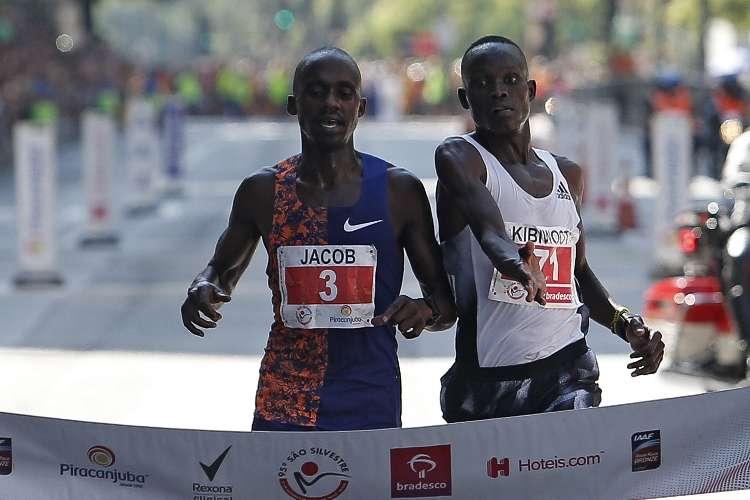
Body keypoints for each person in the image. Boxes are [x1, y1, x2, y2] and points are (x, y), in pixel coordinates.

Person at [180, 47, 456, 431]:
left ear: (360, 107)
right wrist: (203, 287)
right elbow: (220, 271)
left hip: (369, 391)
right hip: (286, 391)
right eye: (317, 92)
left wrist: (425, 311)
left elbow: (445, 304)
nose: (331, 103)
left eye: (344, 93)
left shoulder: (399, 191)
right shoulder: (263, 191)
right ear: (294, 104)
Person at [435, 35, 665, 422]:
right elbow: (489, 230)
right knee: (497, 483)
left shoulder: (566, 173)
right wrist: (515, 263)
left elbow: (578, 273)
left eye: (510, 81)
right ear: (465, 98)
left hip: (568, 368)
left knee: (575, 472)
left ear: (530, 90)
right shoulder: (460, 158)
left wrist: (626, 325)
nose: (499, 93)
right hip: (488, 380)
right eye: (483, 84)